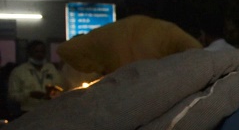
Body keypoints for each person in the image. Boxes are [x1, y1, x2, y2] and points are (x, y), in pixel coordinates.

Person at [56, 14, 201, 88]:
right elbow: (198, 54)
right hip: (156, 95)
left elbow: (65, 49)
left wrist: (98, 67)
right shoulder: (167, 30)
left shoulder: (107, 32)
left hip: (117, 96)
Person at [6, 41, 63, 114]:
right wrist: (29, 94)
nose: (40, 54)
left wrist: (52, 94)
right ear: (29, 53)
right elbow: (12, 96)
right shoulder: (19, 71)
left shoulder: (51, 68)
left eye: (42, 51)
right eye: (36, 51)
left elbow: (60, 87)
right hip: (28, 111)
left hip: (49, 110)